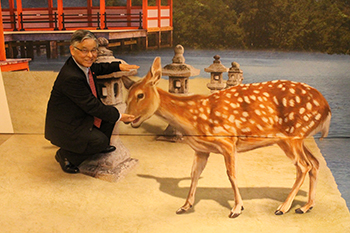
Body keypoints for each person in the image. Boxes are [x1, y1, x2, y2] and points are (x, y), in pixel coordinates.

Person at [45, 29, 137, 174]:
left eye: (94, 50)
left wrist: (118, 66)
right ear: (73, 50)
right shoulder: (71, 77)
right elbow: (92, 106)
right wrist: (120, 116)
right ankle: (66, 155)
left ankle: (95, 145)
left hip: (79, 116)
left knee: (108, 120)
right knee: (100, 139)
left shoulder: (81, 65)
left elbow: (98, 68)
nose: (90, 55)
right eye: (84, 50)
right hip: (66, 125)